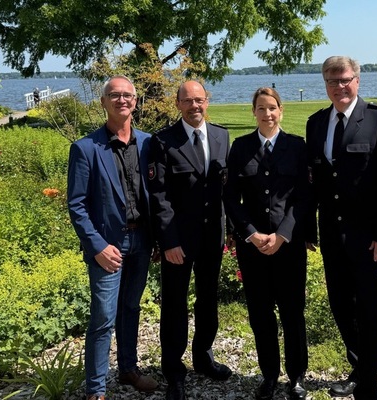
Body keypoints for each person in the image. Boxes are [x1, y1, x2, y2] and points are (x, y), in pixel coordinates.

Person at [305, 56, 377, 400]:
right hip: (332, 233)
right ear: (325, 85)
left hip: (368, 237)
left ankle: (369, 384)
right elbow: (313, 181)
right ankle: (359, 367)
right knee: (340, 304)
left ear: (357, 80)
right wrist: (306, 229)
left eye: (345, 80)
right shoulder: (316, 123)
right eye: (332, 82)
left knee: (370, 308)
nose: (340, 87)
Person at [66, 75, 158, 400]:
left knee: (131, 308)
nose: (122, 100)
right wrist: (97, 247)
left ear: (135, 102)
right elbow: (76, 205)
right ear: (103, 102)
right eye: (114, 95)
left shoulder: (149, 144)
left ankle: (129, 370)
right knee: (104, 317)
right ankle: (96, 390)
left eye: (127, 95)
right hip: (108, 247)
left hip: (142, 242)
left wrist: (159, 238)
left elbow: (157, 194)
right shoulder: (86, 148)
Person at [223, 87, 311, 400]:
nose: (267, 114)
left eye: (272, 108)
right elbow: (231, 197)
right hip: (254, 248)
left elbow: (303, 197)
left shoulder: (296, 146)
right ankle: (269, 375)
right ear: (254, 112)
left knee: (292, 313)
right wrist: (250, 232)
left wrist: (284, 233)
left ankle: (297, 376)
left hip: (288, 247)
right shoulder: (241, 147)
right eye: (261, 108)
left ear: (281, 110)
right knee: (261, 314)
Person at [148, 80, 232, 400]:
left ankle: (203, 357)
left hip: (213, 238)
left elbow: (227, 189)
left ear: (207, 102)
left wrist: (233, 232)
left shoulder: (222, 136)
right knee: (174, 303)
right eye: (188, 101)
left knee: (208, 299)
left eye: (200, 100)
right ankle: (174, 370)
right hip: (178, 243)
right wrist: (167, 242)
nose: (195, 106)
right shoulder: (163, 141)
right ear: (177, 103)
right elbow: (160, 197)